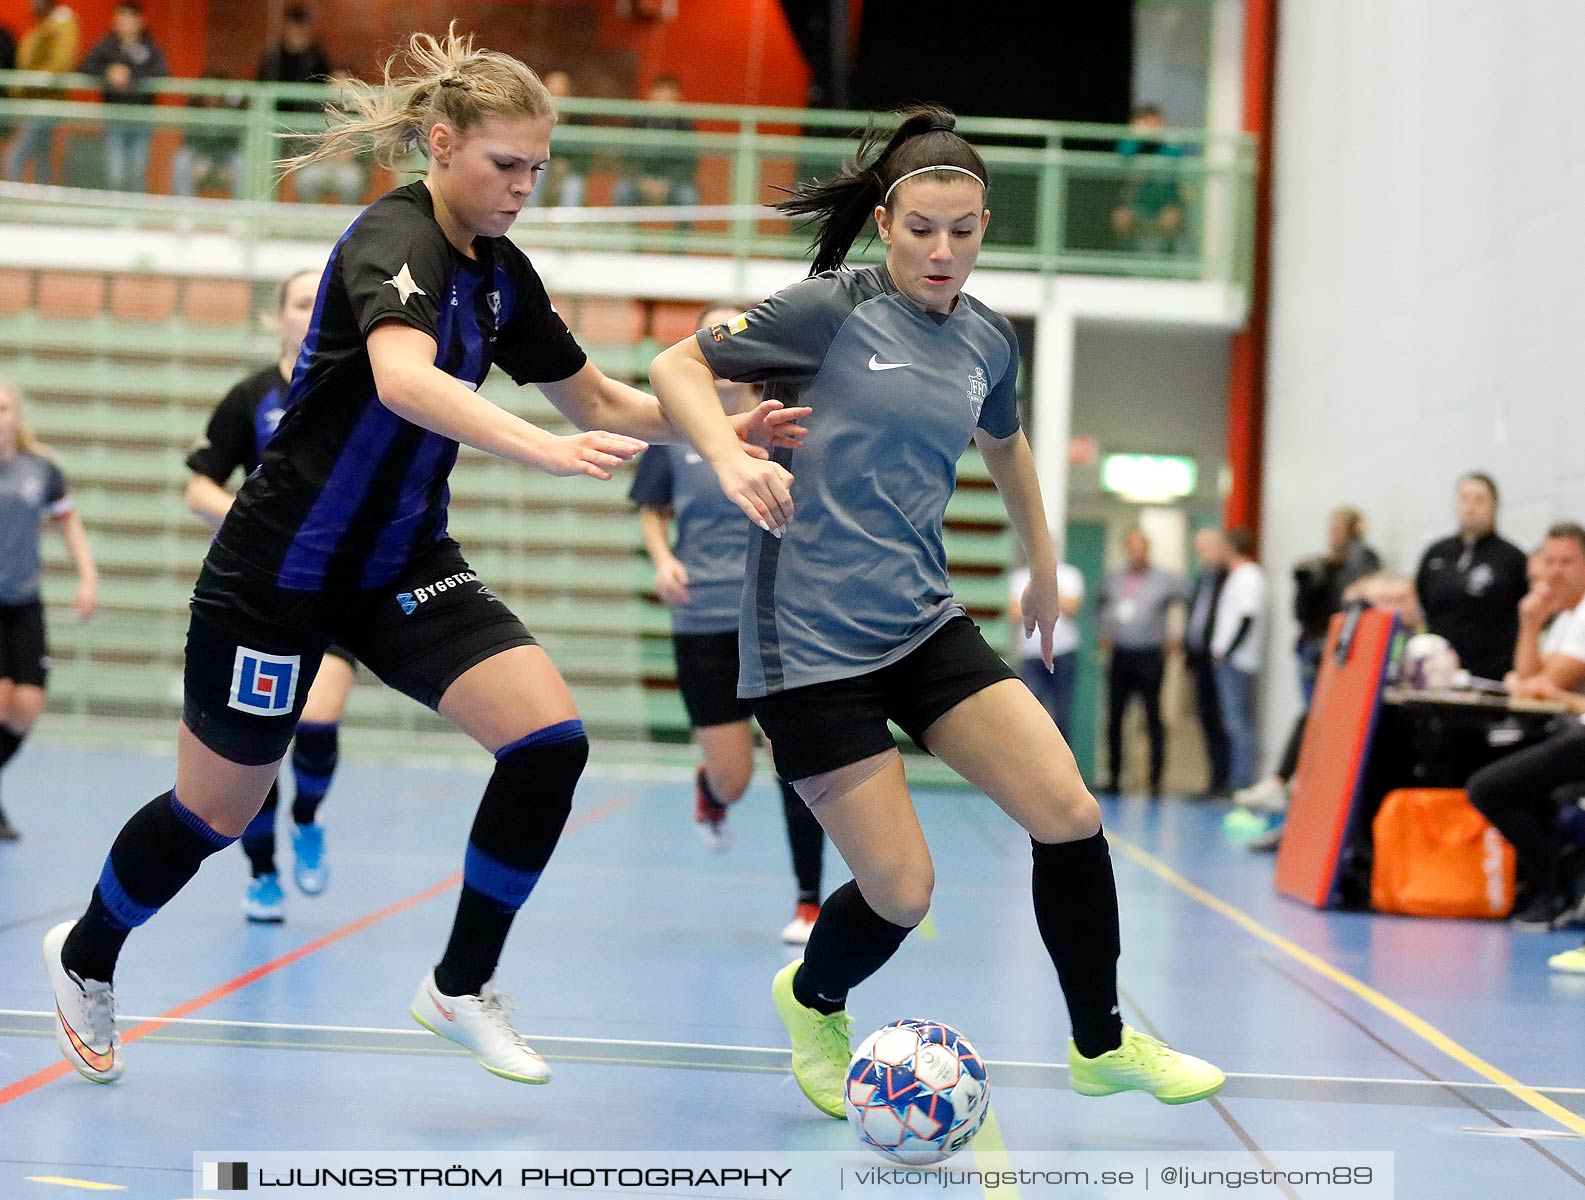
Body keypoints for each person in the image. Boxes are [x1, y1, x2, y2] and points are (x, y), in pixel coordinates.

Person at [41, 25, 804, 1087]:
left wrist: (727, 435)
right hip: (278, 575)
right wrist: (539, 448)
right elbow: (405, 380)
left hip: (401, 563)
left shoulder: (503, 275)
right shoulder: (390, 240)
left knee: (548, 740)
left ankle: (457, 983)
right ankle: (85, 955)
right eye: (505, 164)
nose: (524, 187)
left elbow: (599, 399)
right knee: (218, 812)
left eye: (539, 168)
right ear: (441, 145)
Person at [650, 104, 1224, 1120]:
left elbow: (1005, 446)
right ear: (885, 222)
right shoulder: (828, 309)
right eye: (922, 228)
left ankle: (1102, 1042)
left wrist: (1042, 562)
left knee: (1069, 812)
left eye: (963, 230)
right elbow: (677, 367)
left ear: (985, 226)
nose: (942, 250)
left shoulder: (987, 343)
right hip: (808, 647)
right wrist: (731, 453)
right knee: (903, 893)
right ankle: (814, 998)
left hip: (921, 621)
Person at [629, 304, 826, 942]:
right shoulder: (675, 427)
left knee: (796, 753)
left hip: (774, 615)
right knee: (735, 779)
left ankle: (807, 902)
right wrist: (663, 560)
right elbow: (652, 510)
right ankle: (711, 791)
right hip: (701, 619)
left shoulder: (786, 421)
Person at [183, 269, 354, 922]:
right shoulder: (250, 396)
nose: (312, 314)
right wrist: (249, 521)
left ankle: (307, 818)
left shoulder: (359, 389)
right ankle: (262, 872)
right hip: (258, 598)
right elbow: (199, 484)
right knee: (257, 743)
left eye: (323, 303)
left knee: (317, 718)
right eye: (301, 303)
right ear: (276, 318)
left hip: (333, 589)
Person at [0, 382, 98, 842]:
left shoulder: (40, 470)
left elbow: (68, 521)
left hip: (24, 602)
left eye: (3, 408)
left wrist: (87, 576)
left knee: (26, 706)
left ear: (17, 416)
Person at [1414, 472, 1529, 682]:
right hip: (1438, 673)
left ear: (1493, 505)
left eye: (1479, 500)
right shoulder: (1436, 554)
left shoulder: (1512, 559)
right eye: (1464, 498)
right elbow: (1420, 603)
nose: (1470, 507)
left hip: (1491, 675)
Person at [1098, 528, 1187, 797]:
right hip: (1121, 655)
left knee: (1152, 717)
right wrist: (1102, 633)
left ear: (1148, 550)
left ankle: (1155, 779)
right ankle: (1114, 776)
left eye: (1141, 548)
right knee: (1115, 716)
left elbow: (1190, 601)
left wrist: (1177, 637)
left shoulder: (1165, 580)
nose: (1136, 553)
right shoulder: (1112, 578)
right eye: (1131, 547)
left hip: (1150, 656)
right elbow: (1098, 605)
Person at [1291, 507, 1380, 704]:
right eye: (1332, 529)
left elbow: (1354, 598)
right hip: (1312, 640)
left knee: (1333, 705)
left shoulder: (1361, 559)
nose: (1334, 534)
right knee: (1311, 709)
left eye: (1340, 529)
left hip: (1338, 641)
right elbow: (1300, 611)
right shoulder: (1320, 564)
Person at [78, 0, 166, 193]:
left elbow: (161, 73)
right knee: (115, 175)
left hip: (142, 119)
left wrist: (130, 75)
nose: (124, 22)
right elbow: (85, 66)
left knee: (136, 174)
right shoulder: (107, 46)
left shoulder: (151, 48)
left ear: (140, 20)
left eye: (129, 17)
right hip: (114, 117)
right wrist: (109, 71)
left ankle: (133, 219)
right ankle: (115, 219)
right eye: (120, 16)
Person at [1210, 528, 1265, 795]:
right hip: (1230, 659)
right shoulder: (1236, 576)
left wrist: (1228, 651)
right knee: (1233, 722)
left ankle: (1241, 783)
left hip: (1237, 662)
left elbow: (1247, 617)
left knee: (1237, 724)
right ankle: (1236, 780)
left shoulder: (1249, 576)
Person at [1505, 522, 1585, 703]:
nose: (1555, 572)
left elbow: (1538, 691)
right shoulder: (1566, 617)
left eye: (1566, 562)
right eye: (1549, 562)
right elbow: (1529, 676)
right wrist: (1529, 623)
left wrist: (1518, 684)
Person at [1007, 552, 1083, 739]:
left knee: (1061, 713)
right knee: (1030, 713)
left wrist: (1039, 593)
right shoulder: (1019, 577)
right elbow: (1014, 613)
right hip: (1031, 655)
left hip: (1063, 653)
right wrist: (1050, 597)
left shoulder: (1070, 574)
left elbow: (1072, 607)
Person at [4, 0, 81, 185]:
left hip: (46, 105)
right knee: (41, 156)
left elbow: (61, 63)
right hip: (33, 104)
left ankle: (13, 207)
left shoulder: (63, 24)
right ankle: (44, 207)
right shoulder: (45, 25)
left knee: (15, 156)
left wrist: (27, 82)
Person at [1184, 527, 1229, 797]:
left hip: (1219, 658)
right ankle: (1212, 779)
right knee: (1206, 718)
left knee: (1222, 719)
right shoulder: (1202, 578)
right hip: (1200, 657)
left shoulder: (1229, 578)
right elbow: (1195, 618)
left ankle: (1225, 781)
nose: (1202, 555)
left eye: (1207, 548)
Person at [611, 75, 700, 211]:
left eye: (669, 97)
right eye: (660, 95)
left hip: (673, 182)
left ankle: (682, 233)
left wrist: (668, 183)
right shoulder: (638, 121)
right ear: (651, 95)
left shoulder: (685, 125)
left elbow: (689, 163)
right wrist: (642, 180)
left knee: (689, 196)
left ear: (677, 98)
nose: (664, 101)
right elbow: (627, 157)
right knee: (622, 191)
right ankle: (626, 231)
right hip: (639, 179)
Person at [1110, 105, 1186, 254]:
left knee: (1171, 219)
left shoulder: (1170, 148)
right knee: (1121, 218)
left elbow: (1178, 168)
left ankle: (1167, 261)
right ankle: (1127, 260)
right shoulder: (1130, 146)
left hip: (1164, 205)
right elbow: (1122, 157)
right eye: (1148, 124)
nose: (1153, 129)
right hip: (1136, 205)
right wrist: (1137, 138)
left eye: (1156, 124)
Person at [171, 77, 247, 199]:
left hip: (224, 159)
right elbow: (190, 142)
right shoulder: (194, 111)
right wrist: (201, 163)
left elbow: (233, 144)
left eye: (216, 93)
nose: (212, 97)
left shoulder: (231, 113)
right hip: (200, 158)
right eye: (208, 93)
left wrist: (222, 166)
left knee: (241, 162)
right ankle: (184, 210)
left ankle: (240, 213)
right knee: (182, 159)